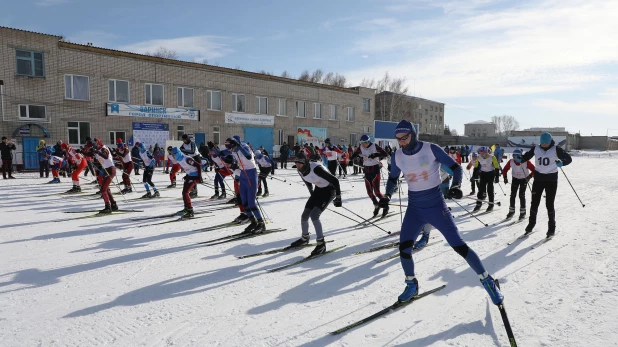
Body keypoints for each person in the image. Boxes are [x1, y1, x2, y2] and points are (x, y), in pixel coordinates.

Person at [380, 120, 503, 305]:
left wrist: (456, 186)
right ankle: (411, 284)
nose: (401, 142)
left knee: (459, 246)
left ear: (413, 134)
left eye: (404, 138)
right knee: (404, 249)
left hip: (436, 207)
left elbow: (455, 167)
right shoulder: (398, 156)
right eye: (398, 139)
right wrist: (387, 195)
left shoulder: (430, 149)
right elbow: (392, 178)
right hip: (414, 209)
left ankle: (487, 280)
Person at [520, 132, 572, 237]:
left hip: (551, 180)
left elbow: (568, 159)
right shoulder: (536, 148)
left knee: (549, 204)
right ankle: (531, 224)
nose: (544, 145)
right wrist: (520, 159)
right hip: (538, 179)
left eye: (546, 143)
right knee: (534, 203)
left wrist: (562, 162)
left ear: (550, 141)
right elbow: (527, 156)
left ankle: (551, 228)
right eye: (542, 143)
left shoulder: (556, 149)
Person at [291, 152, 342, 255]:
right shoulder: (300, 170)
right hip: (318, 190)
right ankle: (305, 238)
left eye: (300, 163)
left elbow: (335, 180)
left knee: (314, 216)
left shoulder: (316, 169)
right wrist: (312, 194)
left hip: (329, 191)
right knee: (305, 215)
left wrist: (338, 197)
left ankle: (321, 244)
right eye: (296, 163)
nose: (298, 165)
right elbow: (308, 182)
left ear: (305, 162)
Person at [226, 136, 265, 234]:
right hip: (243, 174)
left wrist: (239, 146)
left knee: (251, 203)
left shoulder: (244, 146)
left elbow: (248, 156)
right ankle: (253, 222)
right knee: (244, 202)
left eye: (231, 147)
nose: (231, 150)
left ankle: (261, 223)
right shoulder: (234, 150)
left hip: (251, 173)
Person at [350, 134, 389, 217]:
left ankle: (385, 206)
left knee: (377, 191)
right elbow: (355, 153)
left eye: (364, 143)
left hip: (375, 170)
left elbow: (385, 154)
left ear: (368, 141)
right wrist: (351, 159)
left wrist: (375, 155)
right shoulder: (361, 147)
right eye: (361, 143)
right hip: (367, 170)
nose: (363, 145)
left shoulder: (374, 146)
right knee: (369, 192)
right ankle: (376, 205)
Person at [170, 147, 203, 217]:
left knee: (186, 192)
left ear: (178, 153)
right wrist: (187, 175)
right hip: (190, 175)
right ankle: (186, 208)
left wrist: (199, 177)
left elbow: (198, 165)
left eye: (174, 155)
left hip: (194, 176)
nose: (173, 156)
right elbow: (188, 168)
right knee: (184, 192)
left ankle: (190, 210)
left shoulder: (187, 159)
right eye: (172, 155)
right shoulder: (179, 159)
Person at [91, 138, 118, 214]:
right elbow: (94, 156)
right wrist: (84, 152)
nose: (94, 147)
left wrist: (97, 152)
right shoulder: (98, 150)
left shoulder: (103, 148)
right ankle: (113, 204)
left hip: (111, 170)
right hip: (106, 170)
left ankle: (108, 207)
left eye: (94, 145)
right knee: (106, 188)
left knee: (103, 189)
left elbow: (106, 156)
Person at [223, 154, 250, 224]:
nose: (226, 165)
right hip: (241, 184)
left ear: (232, 163)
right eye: (226, 163)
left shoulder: (239, 167)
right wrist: (219, 170)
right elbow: (229, 173)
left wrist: (239, 180)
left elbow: (245, 175)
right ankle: (243, 213)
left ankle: (248, 214)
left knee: (245, 200)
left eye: (227, 163)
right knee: (239, 198)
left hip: (248, 184)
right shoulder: (232, 167)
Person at [472, 146, 500, 212]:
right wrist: (474, 176)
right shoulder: (478, 157)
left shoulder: (492, 157)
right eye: (480, 153)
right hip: (483, 174)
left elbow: (496, 167)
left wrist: (497, 177)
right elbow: (476, 167)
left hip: (490, 174)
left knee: (490, 189)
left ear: (486, 152)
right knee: (481, 189)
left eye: (482, 153)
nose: (481, 154)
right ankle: (478, 204)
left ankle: (491, 205)